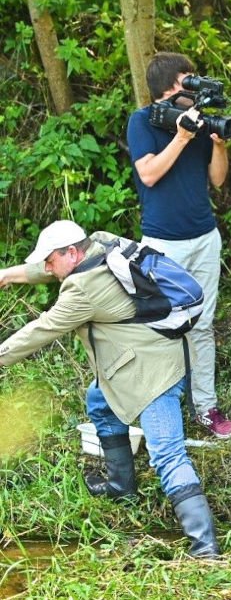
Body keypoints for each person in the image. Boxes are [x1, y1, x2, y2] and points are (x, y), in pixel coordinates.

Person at [0, 221, 219, 558]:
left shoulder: (82, 290)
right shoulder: (101, 244)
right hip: (128, 363)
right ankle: (121, 487)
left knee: (168, 454)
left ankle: (205, 547)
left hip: (152, 374)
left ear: (71, 252)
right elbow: (50, 270)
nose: (47, 268)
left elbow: (41, 330)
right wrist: (8, 274)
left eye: (50, 261)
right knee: (99, 401)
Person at [126, 52, 231, 439]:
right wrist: (182, 136)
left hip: (204, 237)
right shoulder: (141, 122)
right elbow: (149, 174)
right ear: (172, 87)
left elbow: (217, 181)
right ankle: (162, 406)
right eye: (190, 81)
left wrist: (218, 145)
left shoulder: (199, 122)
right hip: (162, 244)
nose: (196, 88)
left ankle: (206, 406)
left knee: (202, 326)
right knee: (162, 328)